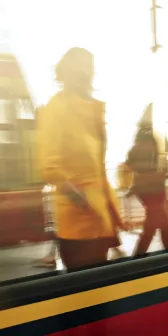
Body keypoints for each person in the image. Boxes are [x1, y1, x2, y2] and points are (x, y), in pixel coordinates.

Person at [36, 48, 125, 271]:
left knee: (100, 293)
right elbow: (49, 167)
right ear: (68, 73)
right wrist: (82, 200)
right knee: (87, 296)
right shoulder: (57, 108)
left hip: (100, 222)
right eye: (83, 69)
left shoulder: (94, 108)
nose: (88, 74)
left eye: (90, 68)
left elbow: (99, 170)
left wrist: (109, 215)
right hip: (78, 228)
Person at [126, 104, 168, 256]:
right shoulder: (158, 140)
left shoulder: (136, 144)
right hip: (155, 188)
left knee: (157, 222)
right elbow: (164, 158)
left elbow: (130, 163)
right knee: (155, 223)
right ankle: (143, 256)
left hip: (144, 191)